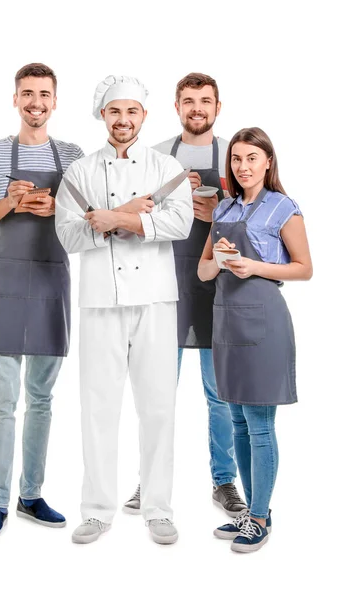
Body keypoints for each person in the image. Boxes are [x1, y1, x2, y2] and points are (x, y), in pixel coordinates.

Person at [55, 75, 193, 545]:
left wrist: (118, 218)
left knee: (158, 406)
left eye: (131, 111)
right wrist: (116, 224)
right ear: (102, 116)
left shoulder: (165, 166)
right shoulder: (80, 174)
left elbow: (180, 220)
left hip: (155, 297)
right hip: (100, 300)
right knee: (98, 406)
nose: (123, 120)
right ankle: (96, 510)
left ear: (144, 116)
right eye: (115, 111)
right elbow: (68, 235)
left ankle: (158, 508)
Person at [0, 63, 84, 540]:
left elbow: (87, 218)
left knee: (41, 397)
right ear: (15, 99)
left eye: (45, 95)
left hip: (52, 277)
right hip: (5, 280)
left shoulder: (72, 154)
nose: (36, 102)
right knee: (3, 397)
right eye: (28, 94)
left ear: (55, 101)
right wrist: (9, 202)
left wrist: (60, 208)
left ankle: (31, 495)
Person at [123, 73, 245, 517]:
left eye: (205, 101)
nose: (197, 108)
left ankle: (224, 481)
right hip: (165, 286)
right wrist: (170, 199)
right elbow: (133, 220)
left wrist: (221, 213)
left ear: (218, 106)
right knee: (157, 392)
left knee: (221, 393)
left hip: (221, 289)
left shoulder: (235, 157)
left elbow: (256, 224)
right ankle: (149, 480)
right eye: (189, 101)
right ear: (177, 107)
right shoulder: (154, 156)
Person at [198, 127, 312, 552]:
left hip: (265, 324)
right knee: (239, 425)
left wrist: (254, 266)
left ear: (268, 162)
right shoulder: (222, 210)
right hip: (227, 323)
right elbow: (203, 272)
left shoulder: (284, 208)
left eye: (251, 158)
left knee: (260, 426)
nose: (243, 167)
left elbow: (304, 268)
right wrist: (224, 260)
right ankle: (250, 513)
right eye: (236, 159)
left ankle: (260, 518)